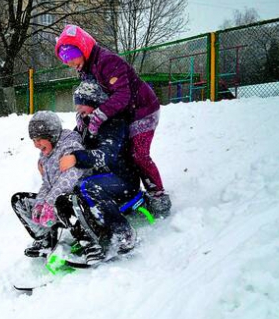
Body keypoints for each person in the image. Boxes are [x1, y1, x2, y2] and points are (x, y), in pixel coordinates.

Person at [55, 24, 171, 218]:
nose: (70, 63)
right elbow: (88, 94)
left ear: (82, 48)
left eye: (71, 57)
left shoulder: (106, 61)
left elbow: (123, 94)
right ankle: (122, 191)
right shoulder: (86, 67)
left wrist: (99, 115)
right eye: (65, 60)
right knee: (121, 150)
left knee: (138, 153)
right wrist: (83, 114)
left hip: (142, 109)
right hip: (123, 113)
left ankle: (157, 194)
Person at [55, 80, 142, 265]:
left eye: (81, 102)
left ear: (94, 102)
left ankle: (122, 234)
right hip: (103, 177)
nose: (78, 108)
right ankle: (89, 234)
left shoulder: (114, 122)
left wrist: (76, 158)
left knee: (88, 186)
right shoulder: (86, 123)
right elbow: (75, 142)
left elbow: (107, 155)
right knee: (70, 191)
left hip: (123, 179)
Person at [11, 111, 86, 258]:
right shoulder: (47, 154)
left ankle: (86, 240)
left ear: (51, 135)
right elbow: (48, 184)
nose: (36, 145)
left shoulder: (70, 146)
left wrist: (50, 204)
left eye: (39, 140)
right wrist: (40, 204)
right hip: (55, 206)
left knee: (62, 200)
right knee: (19, 201)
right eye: (33, 140)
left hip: (77, 205)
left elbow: (68, 179)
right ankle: (45, 238)